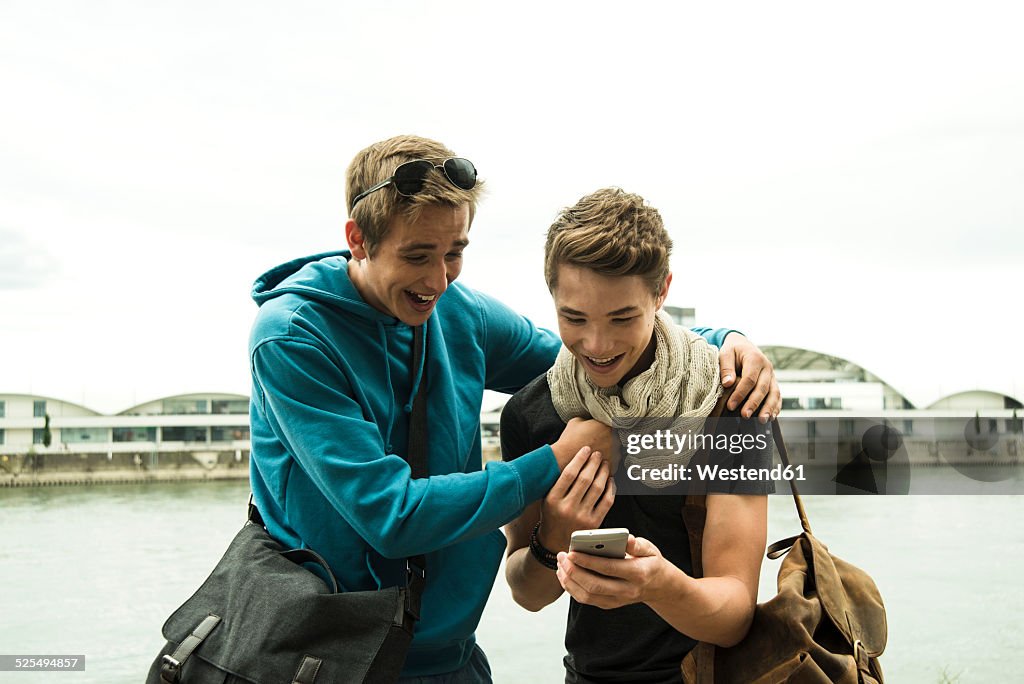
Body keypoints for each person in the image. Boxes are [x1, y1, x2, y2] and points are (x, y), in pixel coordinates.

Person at [247, 136, 780, 682]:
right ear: (358, 240)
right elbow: (391, 516)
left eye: (454, 252)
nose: (438, 281)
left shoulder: (461, 313)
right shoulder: (291, 339)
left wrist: (720, 344)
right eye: (417, 256)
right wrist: (553, 466)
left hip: (449, 654)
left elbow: (584, 355)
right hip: (329, 657)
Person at [501, 188, 773, 683]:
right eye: (574, 318)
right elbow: (527, 593)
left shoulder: (727, 405)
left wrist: (658, 585)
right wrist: (552, 538)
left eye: (622, 317)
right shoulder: (532, 413)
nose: (597, 345)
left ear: (662, 291)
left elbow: (735, 614)